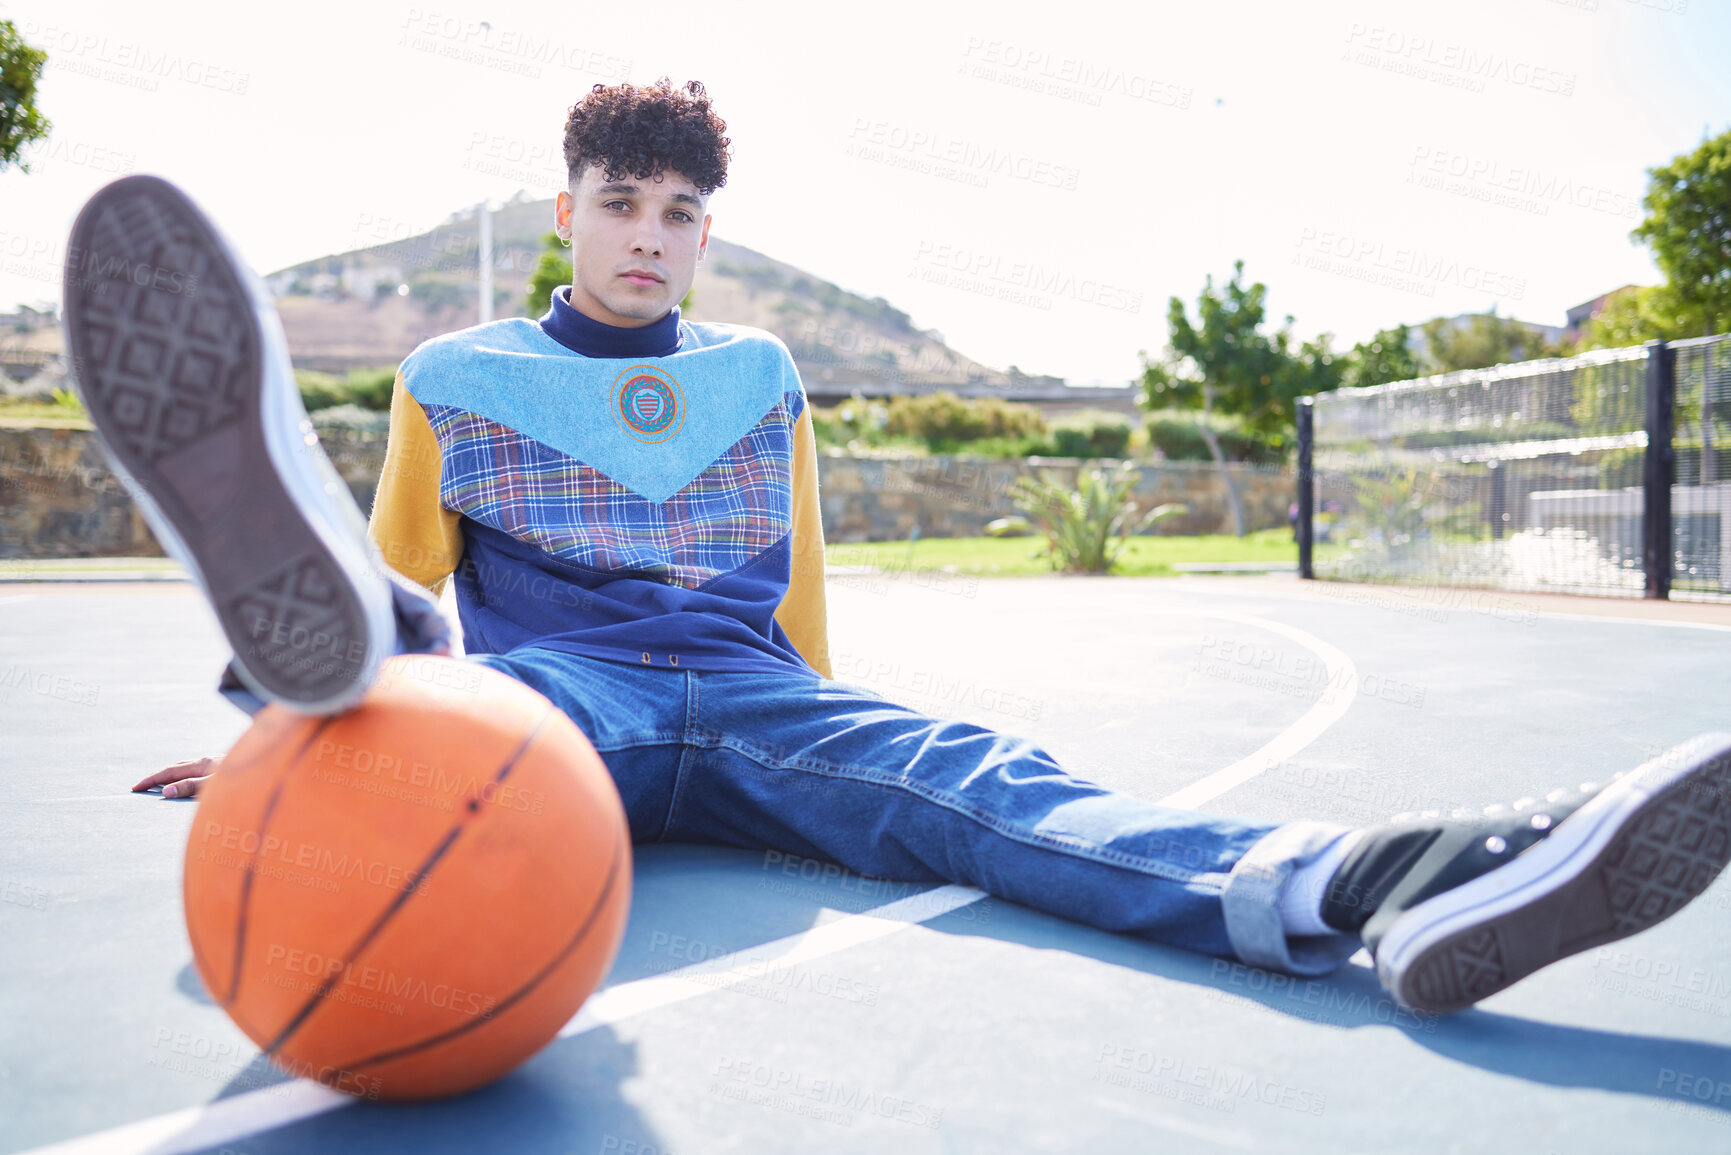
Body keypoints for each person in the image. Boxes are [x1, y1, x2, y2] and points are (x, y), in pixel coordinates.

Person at [67, 79, 1729, 1018]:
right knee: (416, 670)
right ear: (564, 206)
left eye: (683, 215)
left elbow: (797, 594)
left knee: (985, 785)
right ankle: (323, 667)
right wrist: (314, 753)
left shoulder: (758, 373)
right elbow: (420, 576)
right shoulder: (456, 374)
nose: (652, 237)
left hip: (756, 694)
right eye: (622, 202)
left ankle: (1368, 885)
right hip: (551, 692)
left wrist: (830, 732)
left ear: (709, 234)